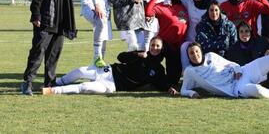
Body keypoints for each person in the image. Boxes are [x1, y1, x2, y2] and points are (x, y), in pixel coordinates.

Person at [21, 0, 77, 96]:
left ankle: (49, 84)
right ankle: (27, 83)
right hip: (45, 22)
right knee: (37, 53)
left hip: (60, 25)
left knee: (53, 56)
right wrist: (36, 16)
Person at [42, 37, 178, 95]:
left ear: (162, 49)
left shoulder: (159, 69)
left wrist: (169, 89)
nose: (154, 48)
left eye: (157, 46)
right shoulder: (141, 54)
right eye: (153, 45)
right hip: (108, 71)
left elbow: (161, 83)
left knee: (84, 87)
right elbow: (120, 57)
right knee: (80, 71)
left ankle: (53, 91)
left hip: (113, 86)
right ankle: (56, 82)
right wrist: (136, 55)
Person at [181, 42, 269, 98]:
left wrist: (237, 69)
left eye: (196, 51)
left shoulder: (211, 56)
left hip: (243, 71)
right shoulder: (190, 71)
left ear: (201, 51)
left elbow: (230, 63)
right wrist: (191, 93)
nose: (195, 54)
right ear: (188, 56)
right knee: (257, 90)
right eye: (191, 53)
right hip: (236, 88)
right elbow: (183, 90)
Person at [145, 0, 189, 85]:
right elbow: (148, 12)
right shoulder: (163, 6)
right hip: (163, 45)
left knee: (174, 79)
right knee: (150, 66)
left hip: (178, 46)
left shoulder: (185, 5)